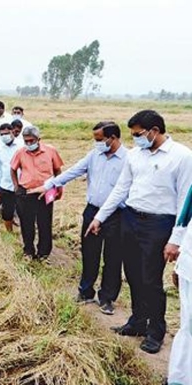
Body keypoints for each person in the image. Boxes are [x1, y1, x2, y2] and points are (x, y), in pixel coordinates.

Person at [86, 110, 192, 354]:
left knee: (150, 279)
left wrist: (176, 240)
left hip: (159, 225)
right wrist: (99, 217)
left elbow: (185, 202)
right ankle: (137, 321)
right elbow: (121, 188)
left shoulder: (182, 157)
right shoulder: (134, 155)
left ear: (154, 131)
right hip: (131, 219)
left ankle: (156, 331)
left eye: (138, 134)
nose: (134, 139)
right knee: (132, 274)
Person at [28, 121, 128, 315]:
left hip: (117, 214)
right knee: (89, 252)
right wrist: (49, 185)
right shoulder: (94, 155)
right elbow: (73, 171)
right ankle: (86, 291)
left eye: (99, 139)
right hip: (92, 211)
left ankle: (107, 298)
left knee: (113, 257)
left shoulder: (129, 159)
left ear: (113, 138)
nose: (96, 143)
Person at [10, 126, 64, 259]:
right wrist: (16, 186)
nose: (28, 144)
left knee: (45, 222)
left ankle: (44, 253)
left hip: (48, 191)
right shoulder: (20, 152)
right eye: (26, 141)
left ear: (38, 139)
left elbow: (57, 170)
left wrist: (59, 188)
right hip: (26, 191)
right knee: (26, 223)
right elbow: (12, 169)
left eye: (31, 141)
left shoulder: (50, 151)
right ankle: (28, 250)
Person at [168, 186, 192, 384]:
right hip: (189, 264)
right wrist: (179, 260)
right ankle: (180, 377)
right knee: (188, 323)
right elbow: (186, 215)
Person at [0, 123, 23, 232]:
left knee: (24, 211)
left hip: (22, 184)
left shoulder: (22, 146)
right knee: (7, 212)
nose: (4, 136)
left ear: (12, 132)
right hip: (5, 185)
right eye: (2, 134)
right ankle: (9, 233)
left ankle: (25, 233)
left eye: (6, 133)